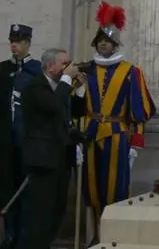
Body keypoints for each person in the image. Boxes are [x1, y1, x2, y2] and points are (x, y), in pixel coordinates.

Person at [79, 2, 156, 243]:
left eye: (107, 40)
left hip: (117, 134)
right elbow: (74, 108)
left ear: (115, 44)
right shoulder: (85, 69)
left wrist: (136, 143)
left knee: (115, 188)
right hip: (89, 134)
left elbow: (139, 111)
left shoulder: (131, 72)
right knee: (91, 190)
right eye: (100, 39)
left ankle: (113, 237)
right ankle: (94, 236)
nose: (103, 43)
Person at [16, 48, 85, 249]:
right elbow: (54, 106)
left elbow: (76, 111)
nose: (67, 67)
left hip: (61, 159)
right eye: (63, 63)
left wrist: (79, 89)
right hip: (42, 161)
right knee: (40, 215)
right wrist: (66, 80)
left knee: (57, 211)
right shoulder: (35, 88)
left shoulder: (59, 87)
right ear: (49, 66)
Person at [0, 25, 42, 249]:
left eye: (19, 40)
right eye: (12, 40)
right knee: (7, 190)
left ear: (28, 43)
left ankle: (26, 239)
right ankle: (9, 235)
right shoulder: (2, 70)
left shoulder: (37, 70)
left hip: (28, 141)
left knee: (27, 193)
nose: (14, 45)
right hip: (6, 143)